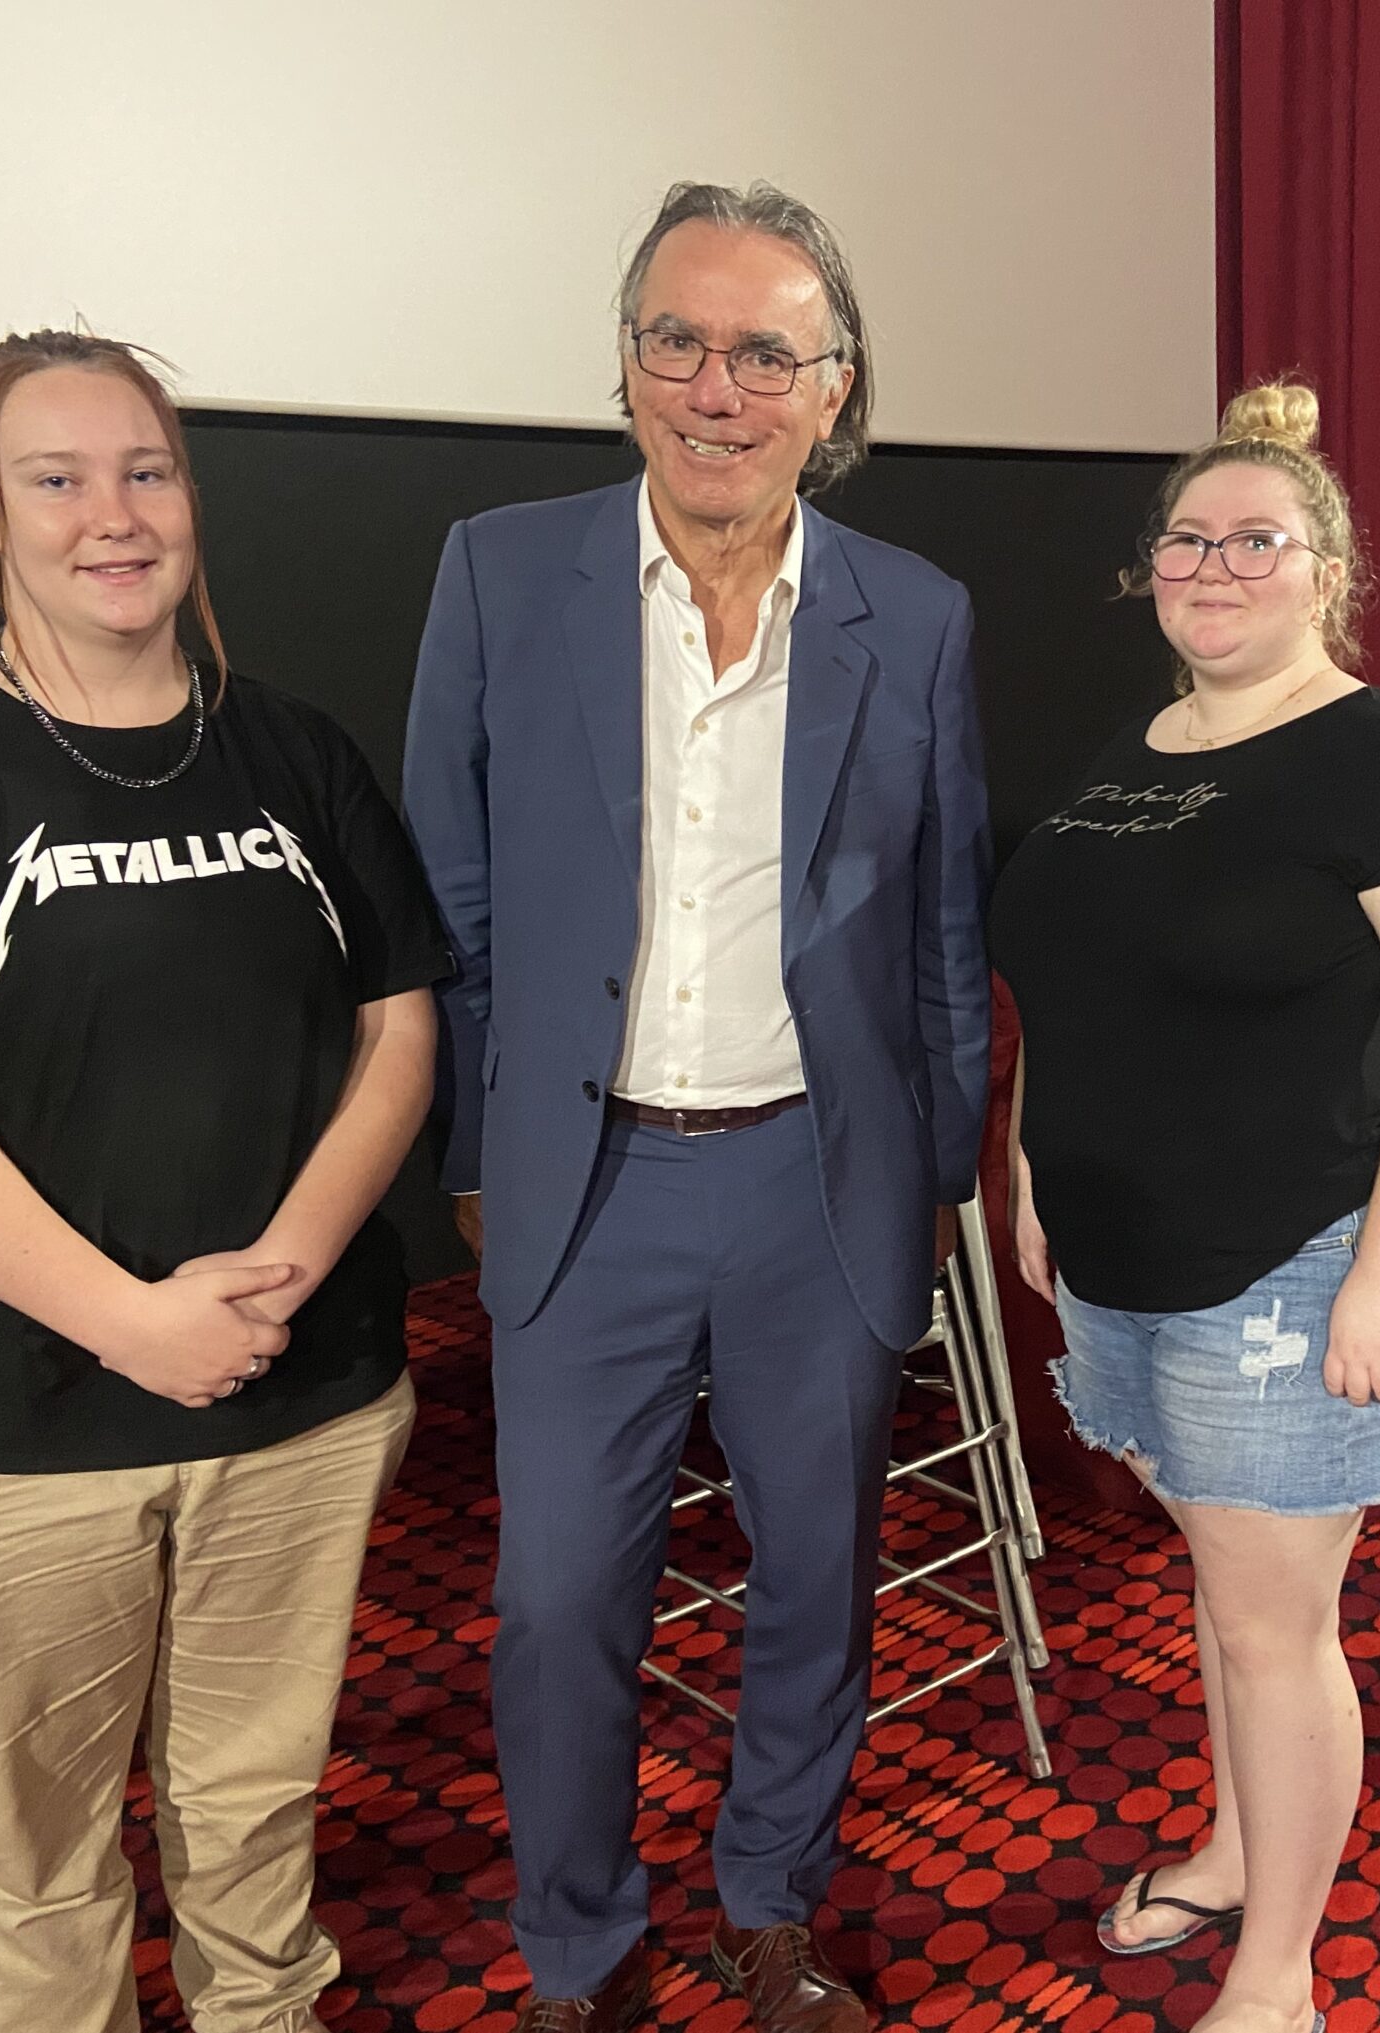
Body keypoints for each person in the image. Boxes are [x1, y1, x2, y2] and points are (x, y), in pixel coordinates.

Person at [0, 330, 450, 2032]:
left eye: (145, 471)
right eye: (56, 479)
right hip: (0, 1426)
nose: (112, 516)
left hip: (292, 1400)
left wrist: (278, 1277)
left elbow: (399, 1032)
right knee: (36, 1850)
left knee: (251, 1797)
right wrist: (130, 1320)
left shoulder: (293, 750)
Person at [402, 181, 991, 2033]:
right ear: (626, 362)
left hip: (823, 1190)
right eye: (676, 338)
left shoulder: (920, 612)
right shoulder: (502, 571)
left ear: (834, 390)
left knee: (817, 1584)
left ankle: (769, 1905)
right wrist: (486, 1162)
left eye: (762, 352)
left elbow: (945, 931)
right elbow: (455, 906)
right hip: (590, 1186)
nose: (712, 386)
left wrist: (938, 1179)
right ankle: (581, 1950)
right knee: (558, 1605)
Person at [988, 383, 1380, 2033]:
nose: (1215, 564)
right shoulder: (1132, 750)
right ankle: (1231, 1847)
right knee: (1228, 1588)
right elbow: (1074, 984)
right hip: (1120, 1251)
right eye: (1186, 539)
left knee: (1277, 1625)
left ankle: (1277, 1971)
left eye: (1257, 539)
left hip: (1292, 1258)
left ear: (1325, 570)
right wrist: (1024, 1159)